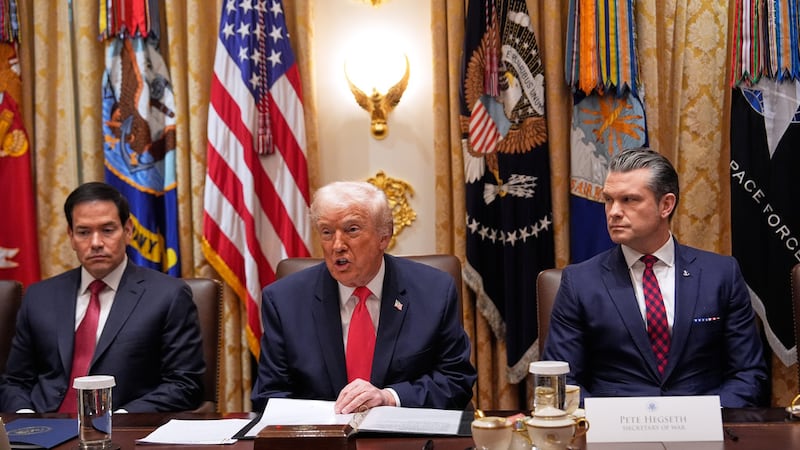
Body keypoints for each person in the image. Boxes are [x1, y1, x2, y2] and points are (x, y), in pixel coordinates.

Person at [542, 148, 768, 408]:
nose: (614, 211)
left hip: (703, 432)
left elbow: (748, 374)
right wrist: (607, 424)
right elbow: (563, 381)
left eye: (629, 200)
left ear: (666, 205)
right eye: (609, 199)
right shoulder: (580, 282)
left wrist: (703, 419)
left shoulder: (721, 274)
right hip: (614, 435)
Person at [252, 181, 476, 414]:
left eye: (352, 230)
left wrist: (389, 398)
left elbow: (456, 380)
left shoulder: (434, 291)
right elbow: (269, 395)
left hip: (403, 437)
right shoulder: (283, 300)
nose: (337, 246)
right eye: (327, 232)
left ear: (384, 236)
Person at [0, 182, 204, 413]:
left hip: (121, 430)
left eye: (107, 230)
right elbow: (15, 381)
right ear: (71, 236)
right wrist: (27, 422)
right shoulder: (40, 296)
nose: (96, 243)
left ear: (128, 231)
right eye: (84, 232)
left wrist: (121, 419)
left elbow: (185, 385)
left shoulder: (168, 295)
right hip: (44, 430)